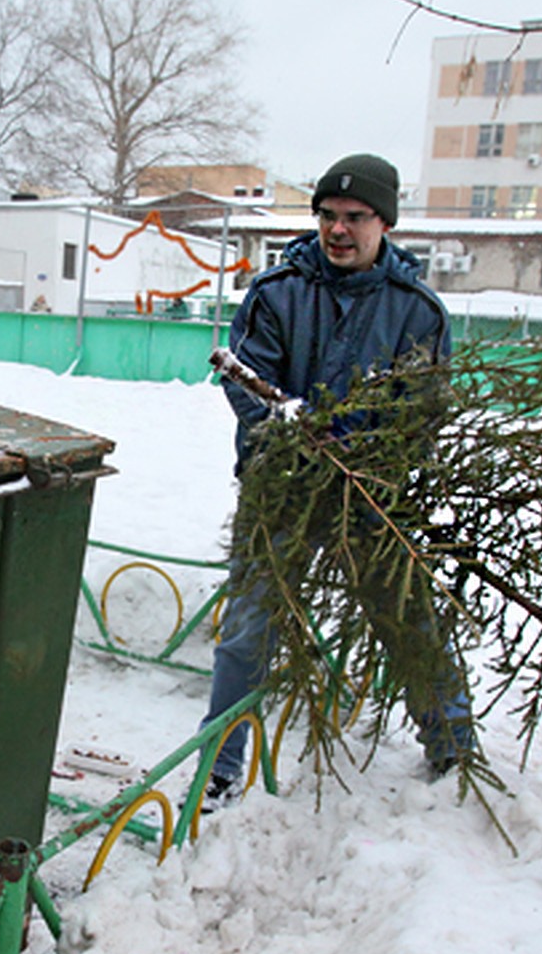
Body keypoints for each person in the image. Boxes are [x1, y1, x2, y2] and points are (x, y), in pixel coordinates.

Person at [200, 152, 474, 805]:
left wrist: (365, 454)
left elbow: (420, 411)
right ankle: (218, 768)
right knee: (247, 630)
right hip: (282, 495)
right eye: (327, 215)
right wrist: (292, 437)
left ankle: (456, 756)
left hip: (366, 501)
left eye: (355, 217)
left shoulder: (418, 313)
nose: (338, 230)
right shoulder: (277, 293)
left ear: (386, 224)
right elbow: (248, 386)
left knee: (411, 624)